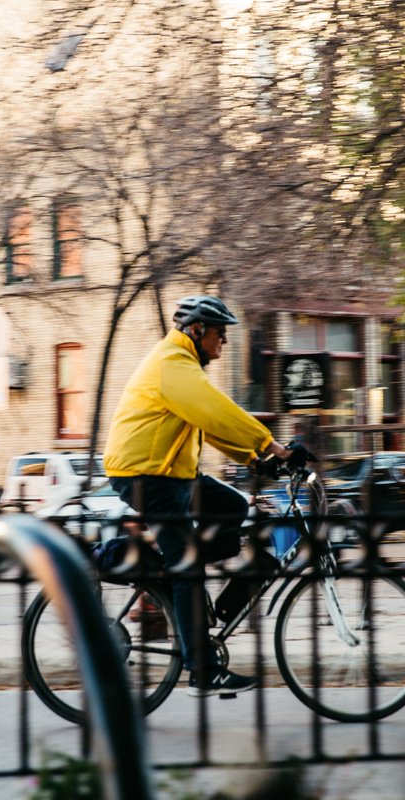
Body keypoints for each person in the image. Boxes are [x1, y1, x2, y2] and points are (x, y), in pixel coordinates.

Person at [104, 294, 308, 697]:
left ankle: (176, 574)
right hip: (146, 476)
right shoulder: (171, 364)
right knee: (188, 567)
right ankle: (203, 668)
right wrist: (275, 448)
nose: (224, 341)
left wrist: (256, 460)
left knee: (231, 507)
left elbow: (208, 425)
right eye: (220, 332)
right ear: (196, 330)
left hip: (172, 475)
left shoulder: (184, 368)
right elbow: (217, 413)